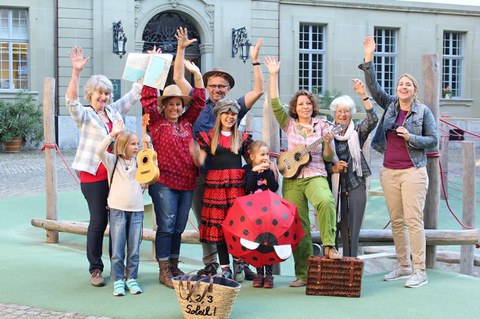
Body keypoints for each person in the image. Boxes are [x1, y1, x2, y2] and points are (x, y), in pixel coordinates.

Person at [173, 27, 264, 280]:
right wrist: (181, 49)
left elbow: (258, 91)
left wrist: (255, 59)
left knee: (235, 222)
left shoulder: (234, 108)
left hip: (231, 177)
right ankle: (211, 263)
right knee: (206, 221)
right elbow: (179, 78)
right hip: (202, 174)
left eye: (222, 86)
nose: (216, 89)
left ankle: (240, 262)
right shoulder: (198, 101)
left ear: (228, 88)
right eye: (212, 85)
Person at [359, 35, 438, 288]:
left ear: (415, 91)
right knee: (397, 220)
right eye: (400, 84)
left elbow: (433, 141)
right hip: (389, 172)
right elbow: (374, 88)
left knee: (414, 220)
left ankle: (420, 270)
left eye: (408, 85)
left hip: (413, 172)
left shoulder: (423, 112)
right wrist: (369, 57)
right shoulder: (391, 106)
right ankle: (403, 265)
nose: (403, 87)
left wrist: (411, 137)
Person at [66, 46, 143, 287]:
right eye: (99, 94)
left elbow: (134, 93)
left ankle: (118, 269)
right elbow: (70, 101)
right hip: (94, 175)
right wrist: (76, 73)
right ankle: (96, 269)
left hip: (116, 176)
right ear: (90, 95)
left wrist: (149, 64)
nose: (104, 98)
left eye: (107, 94)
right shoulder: (86, 115)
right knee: (99, 221)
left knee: (118, 222)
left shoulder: (113, 110)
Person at [264, 56, 341, 288]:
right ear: (295, 108)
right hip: (292, 179)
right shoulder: (289, 124)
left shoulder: (325, 126)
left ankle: (329, 246)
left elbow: (328, 157)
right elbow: (275, 103)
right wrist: (274, 74)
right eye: (300, 104)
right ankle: (303, 275)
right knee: (299, 225)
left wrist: (327, 143)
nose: (305, 107)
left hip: (316, 174)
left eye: (308, 103)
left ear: (313, 106)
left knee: (326, 201)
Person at [141, 33, 206, 289]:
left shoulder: (188, 122)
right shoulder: (156, 123)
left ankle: (175, 264)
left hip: (187, 181)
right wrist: (155, 66)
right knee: (166, 224)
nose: (175, 107)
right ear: (164, 106)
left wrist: (197, 75)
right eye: (171, 104)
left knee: (178, 226)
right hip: (164, 181)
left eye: (179, 104)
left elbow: (200, 100)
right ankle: (164, 268)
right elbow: (147, 98)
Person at [190, 98, 252, 280]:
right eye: (226, 113)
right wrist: (194, 154)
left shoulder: (241, 138)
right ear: (219, 115)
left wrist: (264, 163)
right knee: (221, 228)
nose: (230, 117)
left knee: (238, 227)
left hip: (236, 187)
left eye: (233, 113)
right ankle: (225, 266)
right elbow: (200, 162)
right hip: (216, 187)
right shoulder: (208, 137)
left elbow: (250, 160)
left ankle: (239, 262)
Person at [327, 80, 378, 257]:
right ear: (334, 113)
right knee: (333, 227)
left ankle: (351, 266)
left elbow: (373, 119)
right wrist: (332, 169)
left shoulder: (357, 131)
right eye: (340, 111)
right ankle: (331, 270)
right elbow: (318, 157)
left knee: (352, 229)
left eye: (346, 111)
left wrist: (363, 94)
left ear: (351, 114)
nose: (343, 114)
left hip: (355, 182)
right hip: (332, 185)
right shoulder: (326, 132)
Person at [95, 121, 146, 296]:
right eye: (133, 144)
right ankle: (118, 279)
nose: (136, 147)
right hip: (117, 209)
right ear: (123, 145)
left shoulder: (139, 162)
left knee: (134, 248)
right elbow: (99, 150)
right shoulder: (112, 160)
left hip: (137, 209)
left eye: (137, 144)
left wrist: (148, 144)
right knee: (117, 248)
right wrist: (112, 133)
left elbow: (152, 166)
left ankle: (131, 278)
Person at [243, 140, 279, 288]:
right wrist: (254, 171)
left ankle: (269, 275)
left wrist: (267, 172)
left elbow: (274, 187)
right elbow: (248, 187)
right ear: (252, 157)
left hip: (268, 212)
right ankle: (259, 273)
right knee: (257, 242)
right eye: (262, 154)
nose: (265, 157)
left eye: (267, 154)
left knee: (269, 242)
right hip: (254, 213)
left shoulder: (269, 170)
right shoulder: (247, 169)